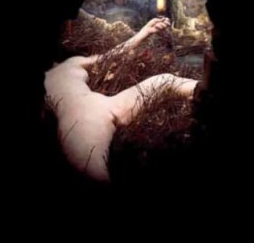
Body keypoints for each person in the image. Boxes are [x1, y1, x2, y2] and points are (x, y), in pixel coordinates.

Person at [43, 16, 198, 183]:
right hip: (81, 118)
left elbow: (111, 56)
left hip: (105, 103)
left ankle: (210, 91)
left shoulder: (71, 63)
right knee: (90, 171)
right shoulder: (47, 77)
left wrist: (145, 32)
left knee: (165, 80)